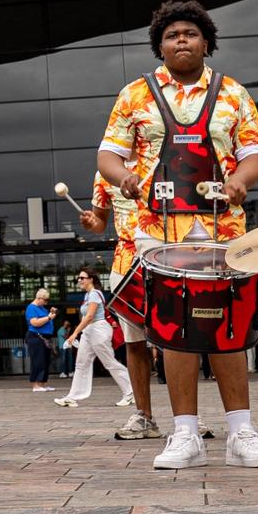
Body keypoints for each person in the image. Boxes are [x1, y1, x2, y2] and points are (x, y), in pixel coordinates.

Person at [98, 0, 258, 470]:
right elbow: (109, 156)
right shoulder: (134, 95)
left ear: (206, 42)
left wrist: (242, 179)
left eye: (190, 33)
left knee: (228, 327)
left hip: (222, 226)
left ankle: (242, 432)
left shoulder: (234, 94)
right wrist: (124, 179)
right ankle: (184, 435)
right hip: (159, 227)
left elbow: (255, 154)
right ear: (160, 45)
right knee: (175, 330)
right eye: (172, 34)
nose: (181, 40)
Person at [81, 172, 163, 441]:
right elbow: (100, 223)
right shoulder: (104, 174)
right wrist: (92, 222)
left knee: (178, 340)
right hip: (126, 261)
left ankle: (188, 417)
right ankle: (143, 416)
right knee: (134, 342)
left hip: (166, 253)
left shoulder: (159, 156)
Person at [55, 269, 132, 406]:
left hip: (98, 329)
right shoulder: (88, 295)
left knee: (109, 362)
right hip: (89, 331)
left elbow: (90, 316)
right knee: (81, 363)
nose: (79, 280)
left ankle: (130, 392)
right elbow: (87, 317)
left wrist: (74, 333)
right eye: (78, 278)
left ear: (91, 279)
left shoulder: (95, 294)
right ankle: (73, 396)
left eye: (82, 278)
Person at [25, 289, 58, 391]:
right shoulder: (31, 308)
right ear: (39, 298)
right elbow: (34, 322)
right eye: (45, 300)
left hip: (44, 337)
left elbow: (46, 319)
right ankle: (36, 385)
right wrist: (48, 318)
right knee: (38, 361)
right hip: (36, 336)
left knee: (45, 361)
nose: (46, 302)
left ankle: (42, 383)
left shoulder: (42, 308)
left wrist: (51, 313)